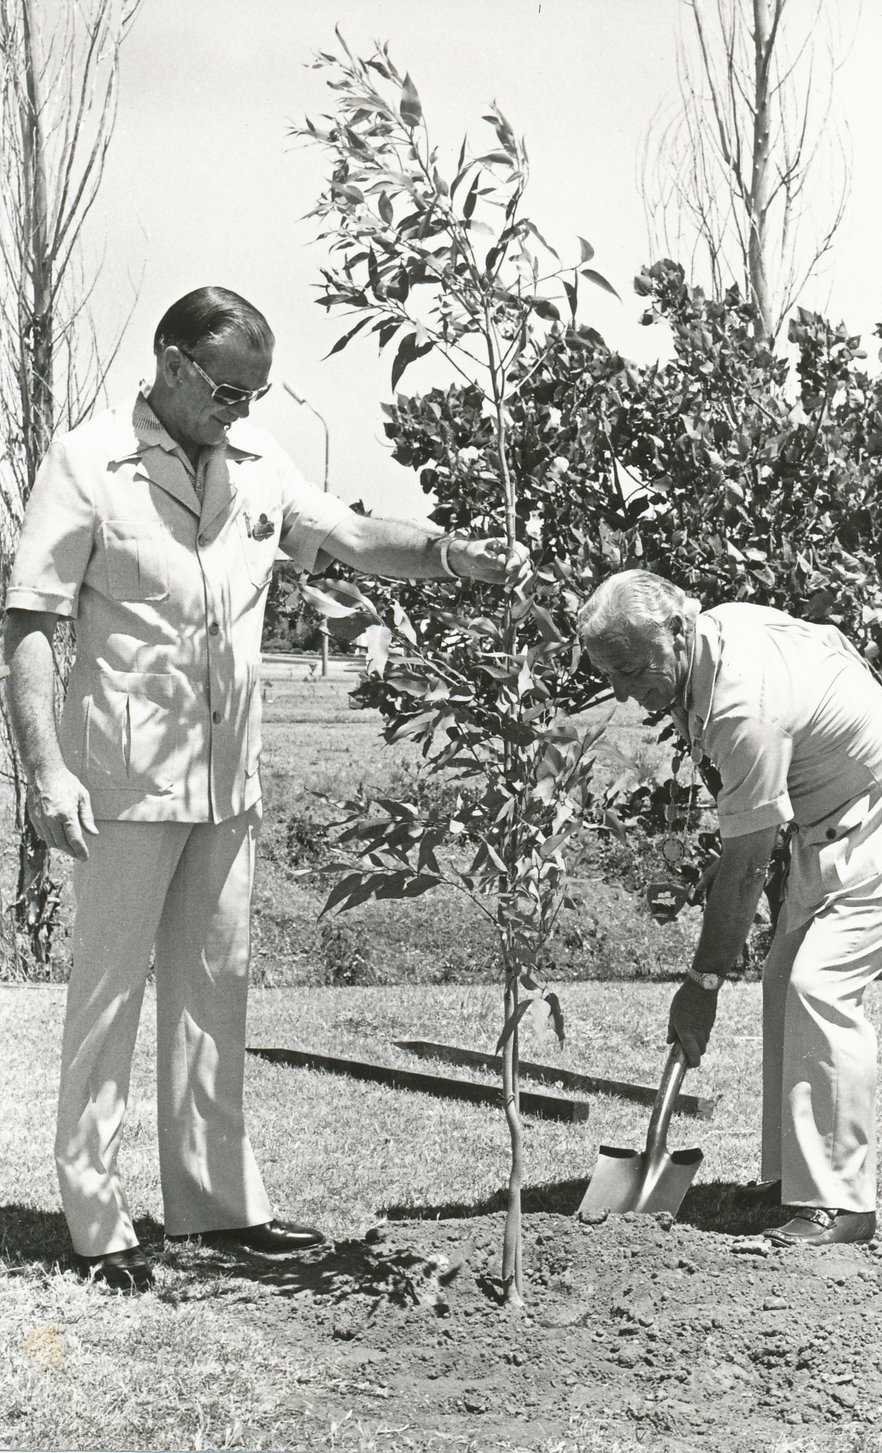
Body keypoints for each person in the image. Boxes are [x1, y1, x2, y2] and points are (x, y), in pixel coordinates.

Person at [4, 286, 527, 1294]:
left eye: (254, 391)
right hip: (119, 780)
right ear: (167, 359)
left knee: (214, 995)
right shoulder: (87, 461)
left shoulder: (257, 462)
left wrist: (455, 556)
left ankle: (216, 1209)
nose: (239, 409)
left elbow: (349, 536)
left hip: (224, 776)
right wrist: (45, 770)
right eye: (224, 388)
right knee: (106, 1001)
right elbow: (30, 620)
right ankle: (98, 1220)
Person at [578, 570, 882, 1248]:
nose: (623, 690)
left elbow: (742, 871)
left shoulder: (742, 708)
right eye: (609, 674)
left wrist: (702, 984)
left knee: (819, 986)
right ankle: (790, 1181)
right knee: (781, 979)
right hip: (837, 818)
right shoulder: (719, 629)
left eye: (631, 669)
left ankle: (840, 1204)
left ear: (678, 630)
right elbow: (828, 640)